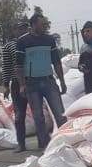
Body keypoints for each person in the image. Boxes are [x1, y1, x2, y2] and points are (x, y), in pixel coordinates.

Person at [14, 13, 68, 151]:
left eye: (45, 24)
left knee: (60, 114)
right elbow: (18, 66)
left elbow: (56, 61)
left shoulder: (49, 40)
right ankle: (44, 143)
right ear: (33, 25)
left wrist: (61, 81)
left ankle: (66, 140)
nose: (45, 26)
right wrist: (21, 85)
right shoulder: (22, 41)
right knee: (38, 116)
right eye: (42, 24)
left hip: (49, 81)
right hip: (32, 84)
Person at [0, 21, 26, 100]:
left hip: (32, 80)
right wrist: (6, 86)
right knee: (20, 110)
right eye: (20, 29)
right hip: (17, 81)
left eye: (25, 28)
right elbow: (6, 67)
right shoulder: (9, 46)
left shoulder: (31, 42)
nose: (24, 31)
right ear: (15, 31)